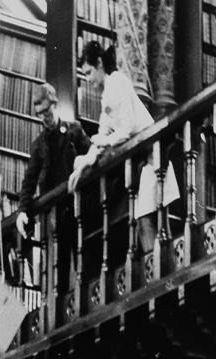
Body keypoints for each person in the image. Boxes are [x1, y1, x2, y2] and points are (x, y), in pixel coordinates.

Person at [69, 41, 180, 252]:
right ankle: (160, 274)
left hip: (153, 156)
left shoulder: (117, 82)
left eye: (90, 72)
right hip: (143, 163)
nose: (89, 79)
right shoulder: (106, 95)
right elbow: (103, 134)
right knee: (148, 222)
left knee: (148, 221)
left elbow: (126, 129)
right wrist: (82, 167)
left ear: (100, 63)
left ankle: (159, 277)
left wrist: (104, 141)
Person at [15, 82, 91, 305]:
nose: (44, 118)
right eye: (40, 115)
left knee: (83, 259)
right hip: (56, 216)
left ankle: (84, 304)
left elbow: (92, 157)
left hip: (79, 206)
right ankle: (62, 309)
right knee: (59, 266)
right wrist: (22, 210)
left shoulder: (74, 130)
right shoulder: (38, 146)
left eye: (47, 112)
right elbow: (28, 182)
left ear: (55, 105)